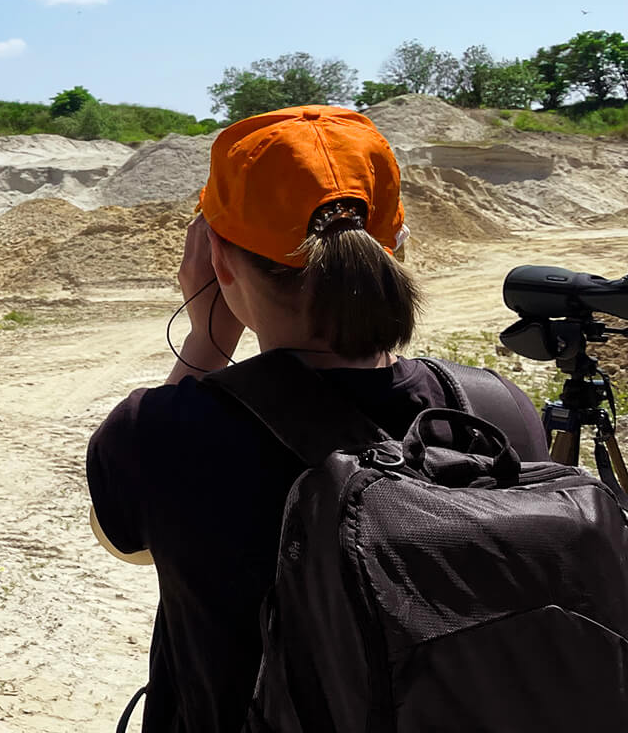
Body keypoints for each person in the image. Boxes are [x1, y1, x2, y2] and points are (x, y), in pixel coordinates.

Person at [84, 106, 550, 733]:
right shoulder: (494, 409)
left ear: (218, 263)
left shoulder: (164, 432)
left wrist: (205, 345)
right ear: (399, 247)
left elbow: (126, 542)